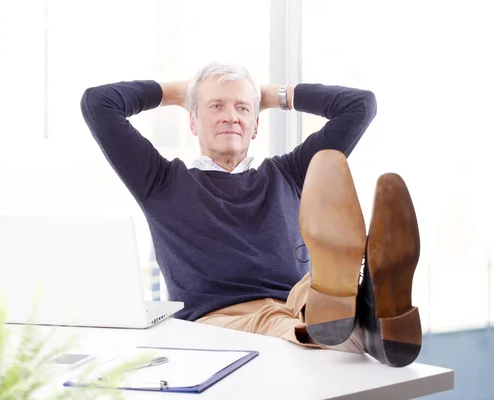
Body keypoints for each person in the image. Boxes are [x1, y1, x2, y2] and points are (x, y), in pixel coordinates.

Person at [80, 62, 421, 368]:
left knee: (313, 301)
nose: (231, 116)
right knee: (305, 328)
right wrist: (177, 92)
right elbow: (98, 103)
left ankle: (360, 298)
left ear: (256, 125)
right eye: (216, 106)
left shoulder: (289, 173)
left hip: (300, 299)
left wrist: (272, 96)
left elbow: (360, 106)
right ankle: (376, 312)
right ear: (193, 121)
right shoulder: (160, 181)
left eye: (242, 108)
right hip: (221, 320)